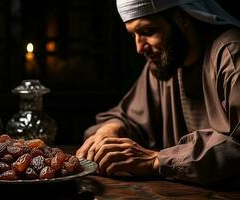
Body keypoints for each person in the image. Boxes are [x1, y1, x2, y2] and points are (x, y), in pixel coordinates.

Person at [76, 0, 240, 186]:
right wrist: (111, 130)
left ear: (183, 18)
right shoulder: (165, 62)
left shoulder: (231, 55)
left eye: (147, 32)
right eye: (133, 35)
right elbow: (130, 117)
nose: (139, 48)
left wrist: (155, 161)